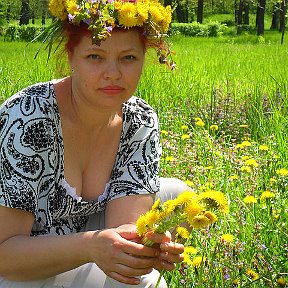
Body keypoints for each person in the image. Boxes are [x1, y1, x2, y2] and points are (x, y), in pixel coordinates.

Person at [0, 1, 191, 287]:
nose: (113, 73)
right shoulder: (27, 117)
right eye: (95, 56)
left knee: (177, 194)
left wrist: (146, 245)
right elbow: (5, 255)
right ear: (71, 56)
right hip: (23, 253)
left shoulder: (139, 119)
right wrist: (91, 247)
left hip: (86, 236)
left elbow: (126, 225)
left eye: (128, 58)